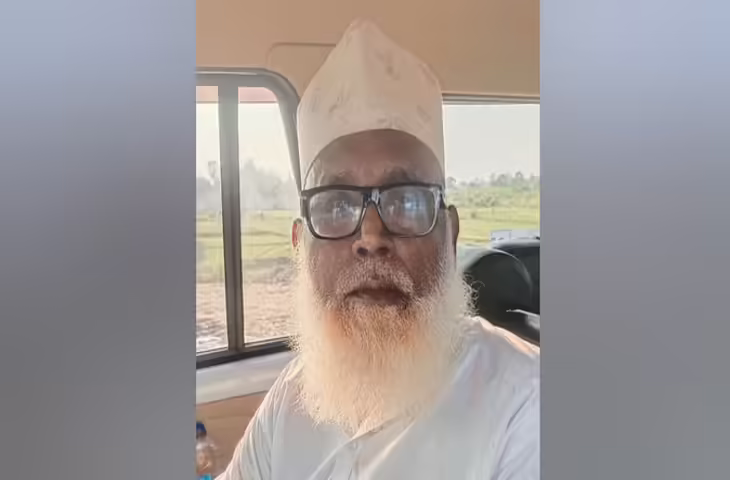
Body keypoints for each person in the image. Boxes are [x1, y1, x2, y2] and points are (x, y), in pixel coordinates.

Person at [218, 19, 539, 480]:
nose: (371, 237)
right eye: (335, 205)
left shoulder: (526, 403)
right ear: (300, 246)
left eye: (406, 202)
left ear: (449, 238)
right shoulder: (291, 396)